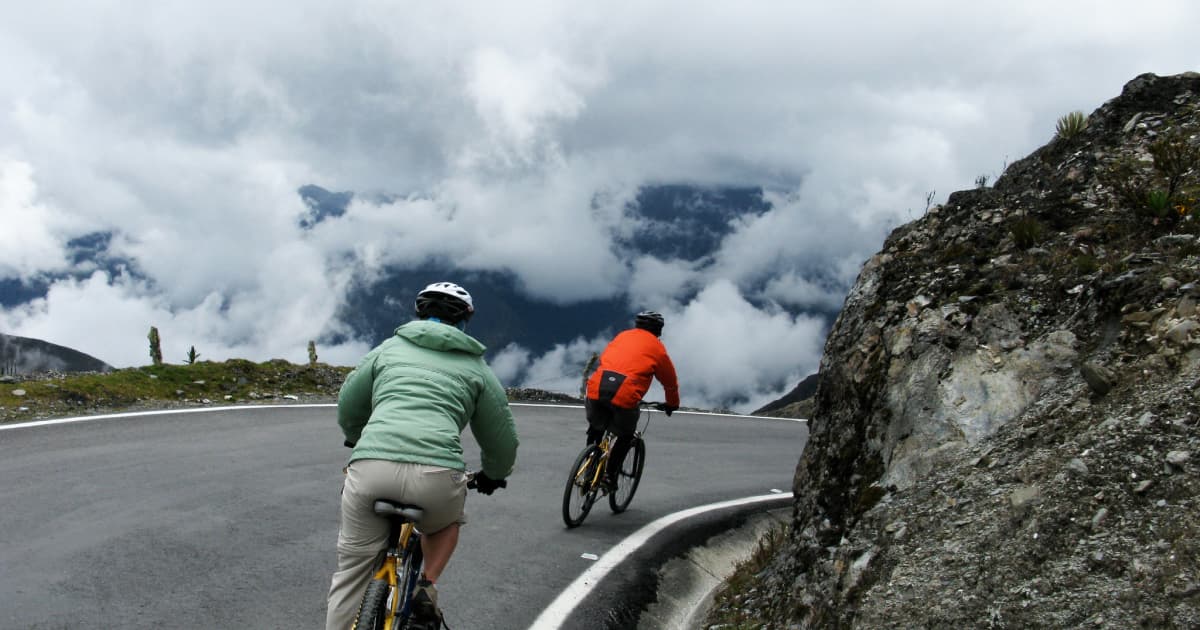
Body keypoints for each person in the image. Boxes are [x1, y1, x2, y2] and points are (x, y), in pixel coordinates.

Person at [326, 282, 519, 630]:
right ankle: (426, 587)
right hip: (436, 475)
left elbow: (349, 404)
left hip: (372, 469)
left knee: (350, 574)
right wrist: (493, 474)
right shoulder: (477, 369)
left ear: (419, 311)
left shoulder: (387, 350)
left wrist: (356, 438)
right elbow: (501, 438)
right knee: (446, 524)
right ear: (466, 318)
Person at [584, 310, 680, 491]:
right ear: (659, 330)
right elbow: (670, 383)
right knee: (626, 435)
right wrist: (672, 404)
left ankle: (590, 464)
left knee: (596, 427)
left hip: (597, 387)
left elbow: (605, 359)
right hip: (625, 395)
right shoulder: (658, 350)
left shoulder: (622, 336)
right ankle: (609, 477)